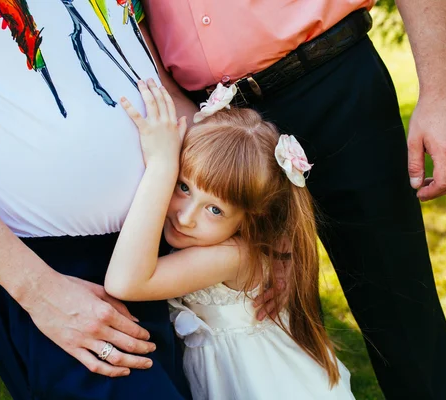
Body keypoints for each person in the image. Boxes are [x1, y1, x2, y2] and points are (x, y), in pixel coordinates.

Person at [143, 1, 446, 399]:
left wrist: (442, 92)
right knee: (267, 323)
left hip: (333, 81)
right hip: (214, 124)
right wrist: (186, 116)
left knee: (404, 316)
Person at [0, 1, 198, 398]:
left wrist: (241, 214)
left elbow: (155, 80)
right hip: (47, 271)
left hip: (181, 235)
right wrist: (38, 290)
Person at [103, 80, 355, 399]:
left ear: (250, 219)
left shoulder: (230, 256)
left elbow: (125, 282)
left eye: (214, 209)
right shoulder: (234, 241)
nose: (185, 216)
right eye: (183, 187)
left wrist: (161, 166)